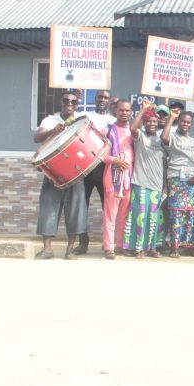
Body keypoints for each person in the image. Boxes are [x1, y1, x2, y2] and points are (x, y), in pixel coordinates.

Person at [33, 90, 88, 260]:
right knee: (48, 207)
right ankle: (47, 249)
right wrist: (52, 131)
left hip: (76, 172)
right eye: (66, 101)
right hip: (54, 172)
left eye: (73, 102)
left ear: (77, 105)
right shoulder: (51, 120)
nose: (69, 104)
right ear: (61, 102)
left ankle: (70, 250)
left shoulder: (82, 120)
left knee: (75, 210)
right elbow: (37, 137)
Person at [73, 89, 116, 255]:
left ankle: (108, 245)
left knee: (108, 208)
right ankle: (83, 243)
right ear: (95, 99)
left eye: (105, 98)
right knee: (81, 206)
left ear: (109, 101)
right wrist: (77, 99)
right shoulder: (84, 116)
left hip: (104, 169)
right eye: (99, 97)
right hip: (85, 168)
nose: (102, 100)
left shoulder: (113, 121)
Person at [122, 102, 164, 258]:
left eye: (155, 121)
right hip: (141, 183)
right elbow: (133, 128)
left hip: (157, 185)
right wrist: (144, 109)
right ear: (144, 124)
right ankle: (139, 248)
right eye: (149, 121)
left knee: (153, 219)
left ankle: (151, 248)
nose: (152, 124)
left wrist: (164, 187)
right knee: (140, 217)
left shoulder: (160, 140)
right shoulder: (140, 137)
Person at [161, 110, 194, 258]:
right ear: (178, 123)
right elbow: (163, 137)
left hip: (193, 181)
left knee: (192, 213)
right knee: (176, 212)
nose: (185, 124)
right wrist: (172, 117)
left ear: (191, 125)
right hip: (177, 179)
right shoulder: (173, 137)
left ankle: (191, 247)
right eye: (183, 121)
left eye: (188, 122)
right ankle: (175, 247)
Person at [100, 100, 134, 259]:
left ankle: (120, 245)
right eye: (121, 110)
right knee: (110, 216)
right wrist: (115, 160)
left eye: (127, 110)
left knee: (124, 216)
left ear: (131, 112)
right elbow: (100, 155)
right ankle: (109, 247)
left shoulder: (133, 131)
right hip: (112, 179)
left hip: (129, 179)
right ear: (115, 111)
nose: (124, 113)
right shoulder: (107, 130)